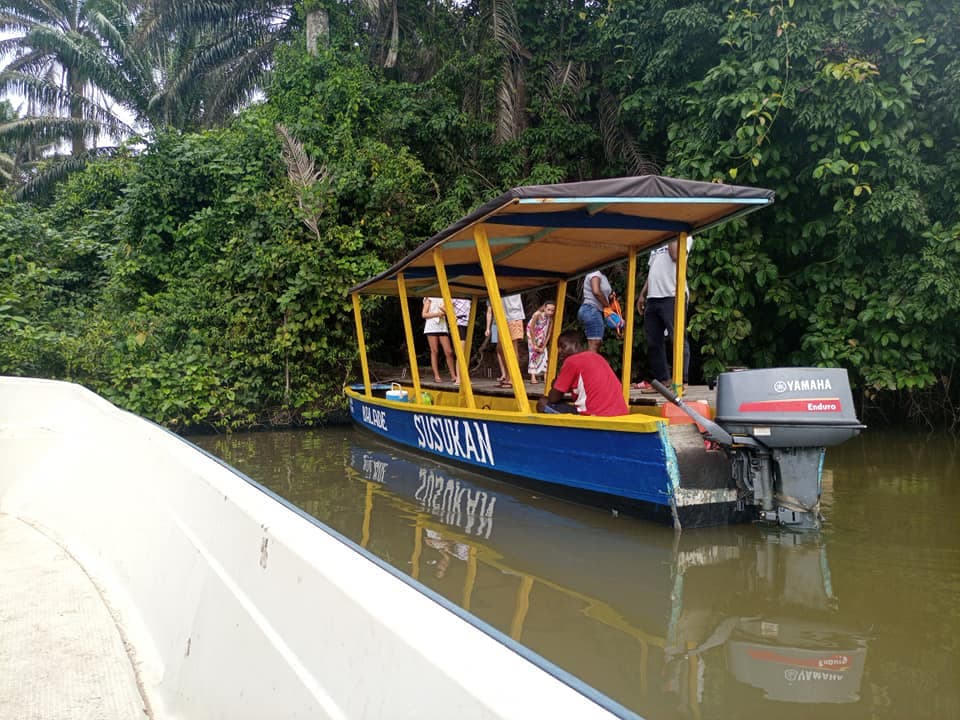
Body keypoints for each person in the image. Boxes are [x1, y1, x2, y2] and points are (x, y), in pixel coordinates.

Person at [635, 236, 693, 391]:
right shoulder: (657, 241)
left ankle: (681, 380)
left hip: (673, 294)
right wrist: (642, 294)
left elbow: (675, 255)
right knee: (653, 341)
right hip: (653, 296)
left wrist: (671, 233)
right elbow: (652, 270)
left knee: (677, 338)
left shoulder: (684, 237)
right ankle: (663, 380)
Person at [536, 331, 629, 416]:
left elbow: (553, 398)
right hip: (620, 412)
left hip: (595, 414)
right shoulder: (597, 357)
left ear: (576, 345)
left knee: (543, 403)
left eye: (563, 346)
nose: (559, 351)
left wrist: (555, 386)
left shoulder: (571, 361)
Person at [486, 294, 525, 387]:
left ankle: (513, 378)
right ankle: (508, 376)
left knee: (512, 347)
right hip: (501, 317)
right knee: (500, 348)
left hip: (513, 315)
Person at [577, 269, 621, 352]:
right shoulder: (595, 272)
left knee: (596, 342)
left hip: (593, 311)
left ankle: (586, 358)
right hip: (591, 309)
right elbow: (596, 291)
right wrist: (608, 306)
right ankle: (588, 360)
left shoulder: (603, 276)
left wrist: (610, 297)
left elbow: (602, 294)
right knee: (595, 343)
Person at [422, 297, 458, 384]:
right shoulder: (429, 297)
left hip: (442, 326)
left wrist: (447, 311)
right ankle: (436, 376)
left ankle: (453, 376)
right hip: (431, 326)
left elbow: (449, 311)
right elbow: (424, 314)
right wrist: (437, 314)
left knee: (449, 351)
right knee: (434, 351)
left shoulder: (445, 297)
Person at [525, 301, 556, 384]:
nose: (550, 312)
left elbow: (549, 333)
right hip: (532, 336)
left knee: (545, 354)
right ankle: (533, 377)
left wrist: (544, 346)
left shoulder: (550, 319)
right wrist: (534, 344)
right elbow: (531, 328)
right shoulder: (537, 314)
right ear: (544, 308)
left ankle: (546, 376)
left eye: (552, 310)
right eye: (548, 309)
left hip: (542, 337)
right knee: (533, 354)